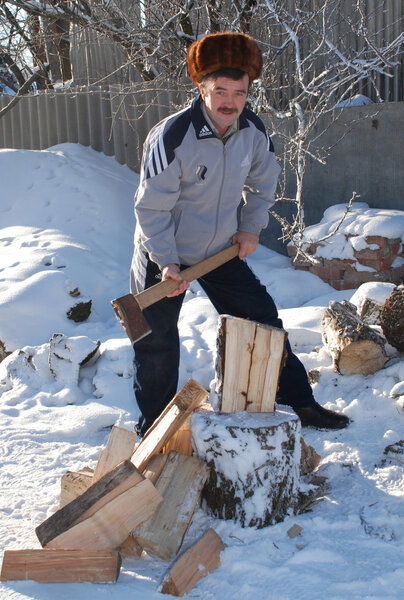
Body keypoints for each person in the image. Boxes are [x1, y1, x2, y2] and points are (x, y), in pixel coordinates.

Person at [130, 31, 349, 436]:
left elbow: (264, 183)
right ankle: (154, 431)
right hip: (163, 255)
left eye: (240, 92)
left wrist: (250, 229)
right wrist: (165, 261)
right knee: (155, 344)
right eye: (220, 91)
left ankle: (299, 401)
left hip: (218, 252)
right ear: (201, 89)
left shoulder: (252, 129)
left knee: (263, 321)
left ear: (249, 92)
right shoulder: (173, 136)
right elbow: (151, 207)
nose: (230, 102)